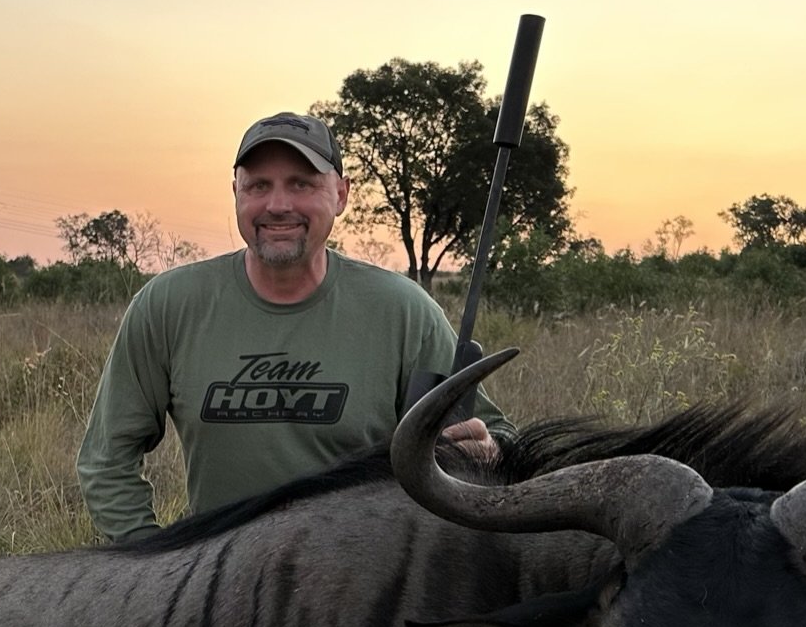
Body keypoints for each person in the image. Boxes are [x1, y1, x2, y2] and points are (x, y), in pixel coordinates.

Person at [77, 111, 512, 543]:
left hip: (364, 573)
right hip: (215, 584)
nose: (278, 205)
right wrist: (154, 562)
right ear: (236, 194)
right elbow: (106, 459)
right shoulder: (168, 305)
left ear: (341, 195)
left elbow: (499, 438)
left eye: (301, 184)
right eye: (258, 186)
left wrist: (486, 451)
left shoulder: (403, 311)